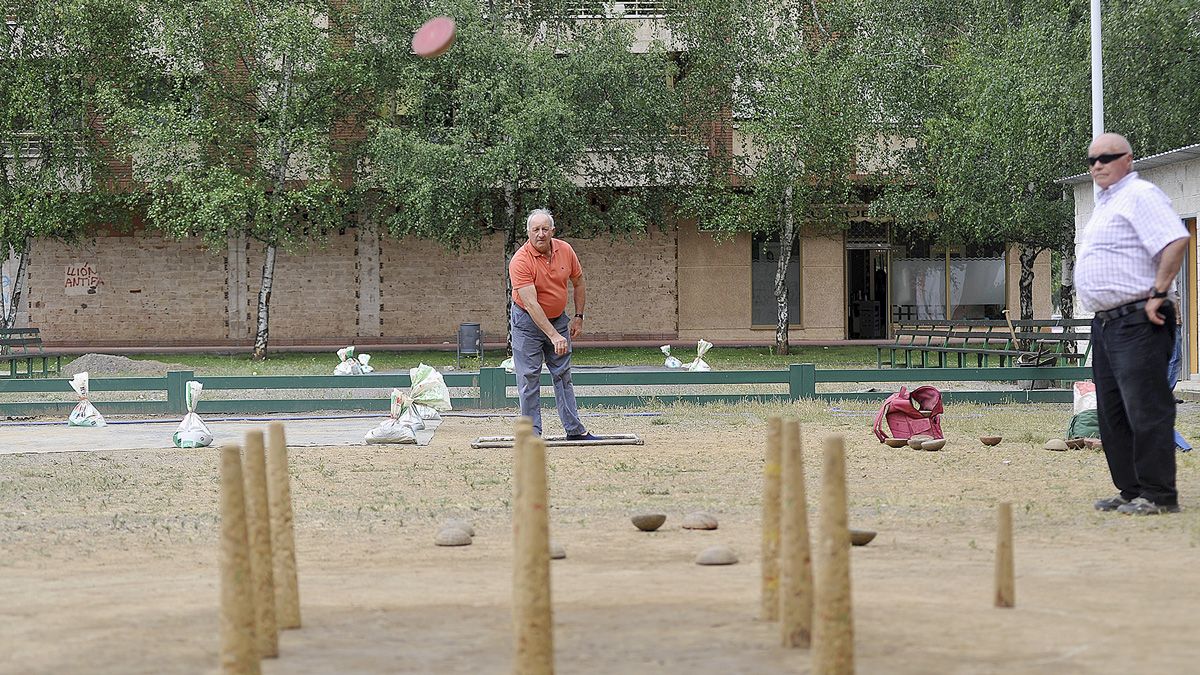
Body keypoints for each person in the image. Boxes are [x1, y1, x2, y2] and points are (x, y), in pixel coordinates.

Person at [1075, 133, 1190, 515]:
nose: (1097, 165)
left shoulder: (1141, 194)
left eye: (1107, 157)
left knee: (1145, 407)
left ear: (1128, 159)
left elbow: (1176, 240)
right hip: (1107, 322)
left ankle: (1159, 495)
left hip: (1140, 316)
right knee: (1113, 411)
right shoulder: (1106, 203)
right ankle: (1131, 489)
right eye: (1092, 159)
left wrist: (1159, 292)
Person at [508, 209, 599, 440]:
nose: (540, 234)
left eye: (545, 229)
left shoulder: (565, 250)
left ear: (552, 231)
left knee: (563, 374)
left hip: (558, 320)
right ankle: (532, 434)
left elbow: (578, 282)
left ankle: (574, 430)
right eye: (535, 230)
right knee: (529, 377)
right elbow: (531, 304)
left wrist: (579, 316)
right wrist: (554, 336)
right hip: (527, 323)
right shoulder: (520, 261)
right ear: (528, 232)